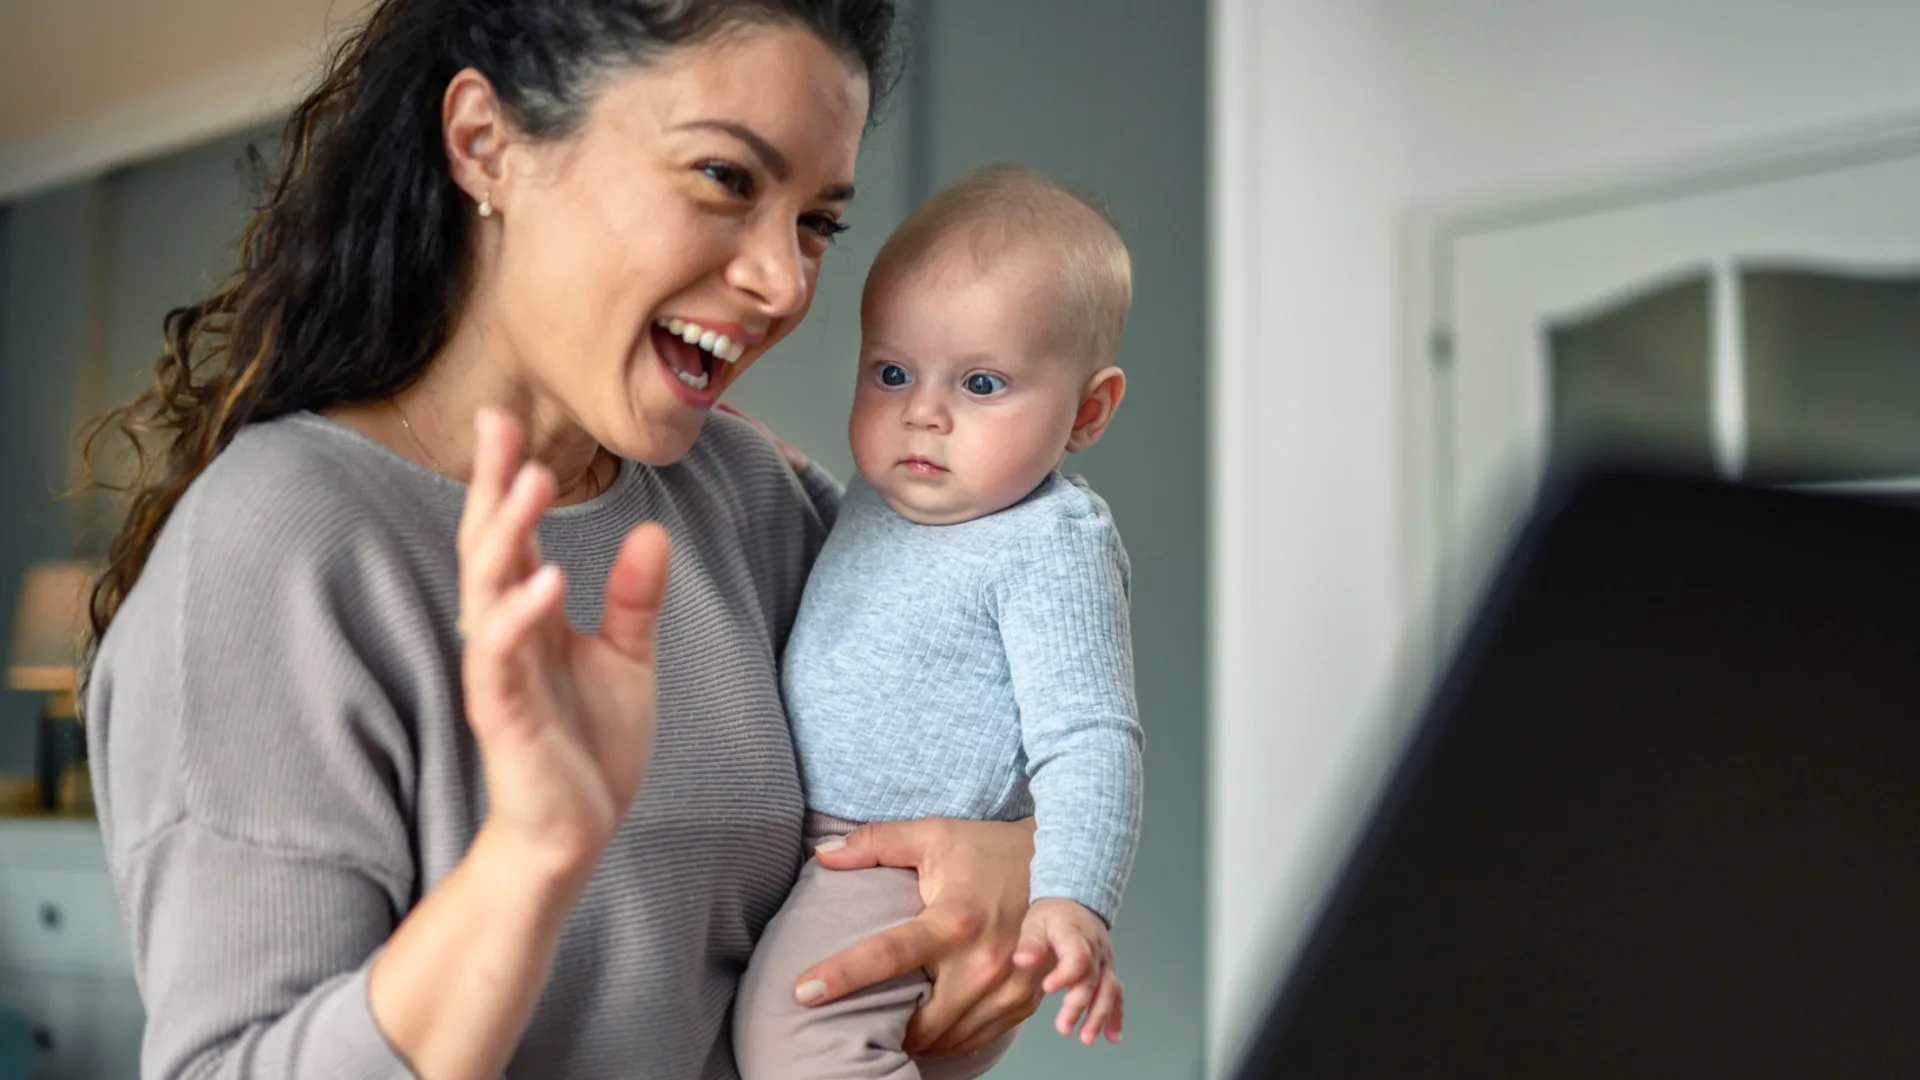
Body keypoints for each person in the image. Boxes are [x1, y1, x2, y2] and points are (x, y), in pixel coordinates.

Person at [79, 2, 1050, 1077]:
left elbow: (918, 954)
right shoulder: (276, 549)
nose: (786, 282)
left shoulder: (760, 504)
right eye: (726, 178)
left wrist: (1012, 858)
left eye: (816, 222)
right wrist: (530, 859)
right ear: (486, 145)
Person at [732, 164, 1143, 1080]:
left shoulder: (1050, 544)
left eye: (982, 384)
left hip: (906, 872)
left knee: (791, 1033)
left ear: (1087, 411)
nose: (922, 413)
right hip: (836, 853)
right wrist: (789, 477)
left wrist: (1073, 898)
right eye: (891, 372)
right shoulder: (895, 500)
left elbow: (1091, 738)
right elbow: (878, 580)